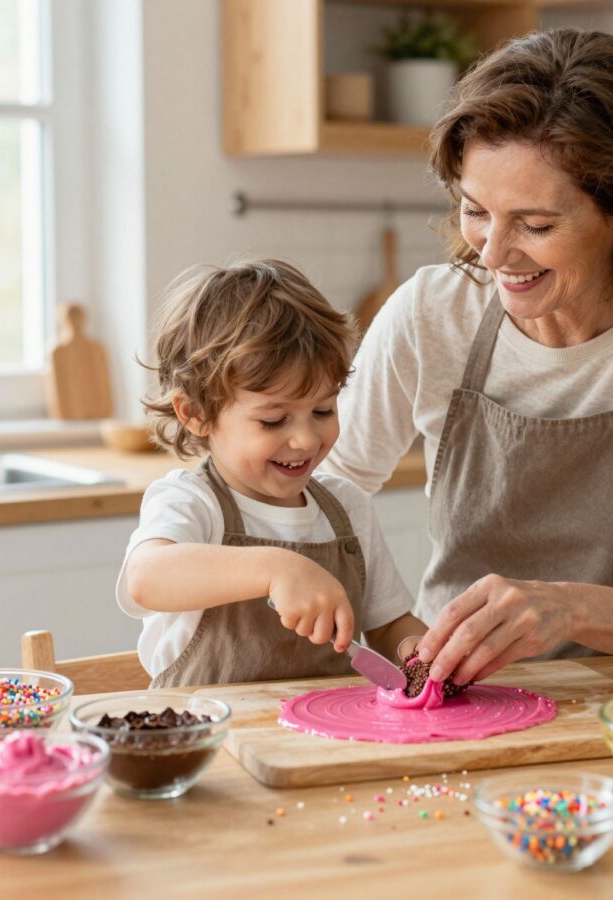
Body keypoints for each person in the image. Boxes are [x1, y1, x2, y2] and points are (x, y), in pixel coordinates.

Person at [322, 28, 613, 688]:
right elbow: (322, 498)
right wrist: (393, 626)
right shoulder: (431, 314)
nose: (491, 253)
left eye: (535, 225)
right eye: (475, 210)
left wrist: (567, 609)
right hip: (459, 698)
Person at [118, 260, 427, 687]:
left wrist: (421, 654)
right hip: (208, 728)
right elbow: (146, 578)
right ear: (196, 413)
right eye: (273, 420)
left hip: (327, 727)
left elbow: (389, 625)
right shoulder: (192, 502)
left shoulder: (348, 508)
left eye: (323, 410)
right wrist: (276, 568)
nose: (305, 439)